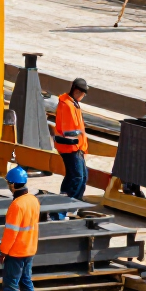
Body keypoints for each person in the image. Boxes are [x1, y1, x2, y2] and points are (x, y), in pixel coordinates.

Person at [53, 77, 88, 216]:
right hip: (71, 148)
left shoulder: (73, 103)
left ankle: (73, 206)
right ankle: (62, 211)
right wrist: (78, 144)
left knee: (81, 177)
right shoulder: (67, 105)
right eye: (83, 93)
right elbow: (70, 132)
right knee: (77, 178)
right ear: (77, 91)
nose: (84, 96)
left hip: (76, 148)